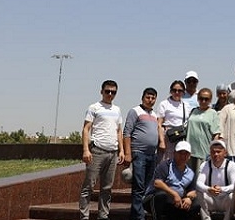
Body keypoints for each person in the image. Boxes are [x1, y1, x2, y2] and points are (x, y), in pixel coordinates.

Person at [80, 80, 124, 220]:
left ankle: (103, 216)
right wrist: (86, 150)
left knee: (107, 188)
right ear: (101, 91)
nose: (110, 94)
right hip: (97, 151)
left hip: (112, 153)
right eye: (107, 91)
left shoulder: (116, 110)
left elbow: (119, 131)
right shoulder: (94, 107)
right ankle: (84, 216)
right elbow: (86, 129)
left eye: (113, 92)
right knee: (89, 187)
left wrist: (121, 150)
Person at [124, 87, 162, 220]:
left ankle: (138, 212)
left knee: (146, 187)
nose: (150, 100)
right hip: (138, 153)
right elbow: (127, 133)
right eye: (148, 97)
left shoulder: (154, 115)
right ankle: (139, 217)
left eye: (153, 98)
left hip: (152, 155)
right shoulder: (135, 111)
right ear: (142, 97)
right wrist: (128, 153)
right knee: (138, 187)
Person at [150, 141, 200, 220]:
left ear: (189, 156)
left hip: (176, 203)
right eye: (180, 153)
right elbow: (157, 183)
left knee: (197, 203)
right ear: (174, 153)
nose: (183, 156)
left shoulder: (190, 172)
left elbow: (194, 190)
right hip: (157, 200)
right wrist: (174, 194)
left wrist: (189, 198)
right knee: (161, 195)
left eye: (186, 154)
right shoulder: (165, 165)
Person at [197, 139, 235, 220]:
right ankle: (206, 218)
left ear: (225, 153)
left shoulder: (231, 165)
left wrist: (221, 189)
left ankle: (227, 218)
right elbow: (198, 183)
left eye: (218, 151)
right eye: (213, 152)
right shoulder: (205, 165)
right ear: (210, 153)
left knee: (233, 195)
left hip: (225, 200)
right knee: (199, 192)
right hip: (211, 199)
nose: (215, 154)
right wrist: (208, 189)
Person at [188, 88, 223, 172]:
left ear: (210, 100)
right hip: (190, 151)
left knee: (200, 177)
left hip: (204, 152)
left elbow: (216, 134)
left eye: (206, 99)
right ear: (198, 99)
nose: (203, 101)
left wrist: (213, 151)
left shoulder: (213, 113)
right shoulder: (193, 111)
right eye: (201, 98)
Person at [158, 80, 191, 162]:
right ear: (170, 91)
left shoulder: (186, 106)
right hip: (168, 136)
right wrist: (162, 141)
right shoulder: (164, 104)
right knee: (166, 161)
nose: (177, 92)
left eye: (180, 90)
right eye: (174, 90)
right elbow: (159, 124)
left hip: (181, 136)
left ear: (183, 92)